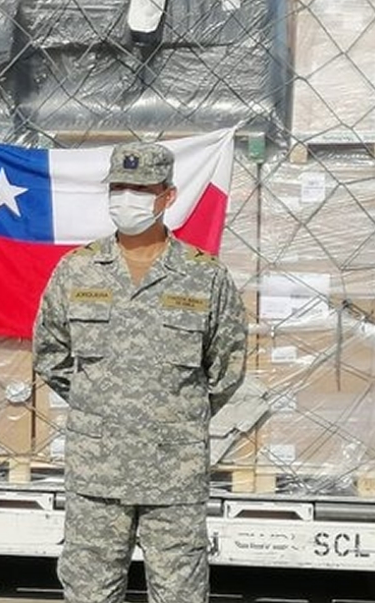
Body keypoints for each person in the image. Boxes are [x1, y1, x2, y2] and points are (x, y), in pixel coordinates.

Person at [32, 142, 248, 603]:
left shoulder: (205, 277)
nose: (127, 198)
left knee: (180, 595)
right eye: (119, 187)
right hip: (97, 474)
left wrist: (173, 414)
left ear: (167, 196)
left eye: (141, 188)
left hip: (174, 474)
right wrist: (102, 406)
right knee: (89, 593)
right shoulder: (77, 270)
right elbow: (49, 354)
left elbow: (228, 367)